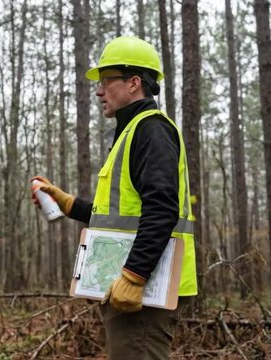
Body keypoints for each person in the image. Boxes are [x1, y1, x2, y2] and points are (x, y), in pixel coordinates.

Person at [31, 36, 198, 359]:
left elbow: (161, 209)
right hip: (133, 282)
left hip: (146, 286)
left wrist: (134, 275)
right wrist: (67, 203)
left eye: (107, 81)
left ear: (134, 82)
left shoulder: (151, 129)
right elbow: (122, 214)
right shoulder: (133, 130)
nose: (98, 90)